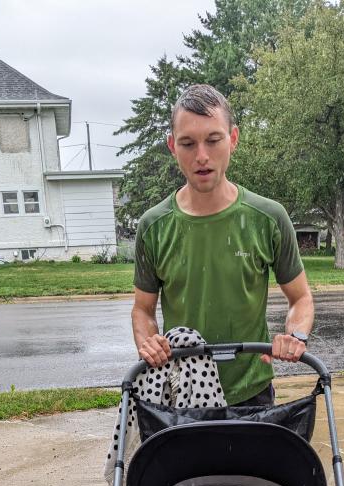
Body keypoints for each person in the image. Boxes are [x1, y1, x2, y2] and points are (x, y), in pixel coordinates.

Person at [132, 83, 314, 406]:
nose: (201, 156)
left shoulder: (268, 218)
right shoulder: (153, 226)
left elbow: (300, 298)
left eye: (213, 140)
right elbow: (143, 309)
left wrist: (295, 335)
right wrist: (149, 342)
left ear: (233, 138)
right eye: (188, 143)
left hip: (251, 392)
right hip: (183, 392)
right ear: (172, 146)